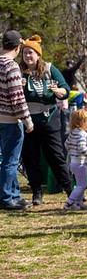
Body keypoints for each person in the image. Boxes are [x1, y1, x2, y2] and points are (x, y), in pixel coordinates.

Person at [19, 34, 72, 205]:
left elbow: (65, 89)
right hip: (28, 120)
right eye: (25, 53)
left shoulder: (49, 69)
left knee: (56, 155)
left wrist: (58, 92)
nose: (28, 56)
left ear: (38, 54)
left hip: (49, 118)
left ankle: (70, 190)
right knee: (30, 157)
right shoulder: (19, 72)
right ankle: (36, 192)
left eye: (31, 53)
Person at [0, 30, 34, 211]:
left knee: (7, 160)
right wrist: (27, 120)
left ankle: (15, 194)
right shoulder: (12, 66)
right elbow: (17, 99)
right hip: (10, 121)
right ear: (18, 47)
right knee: (11, 160)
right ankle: (6, 197)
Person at [63, 109, 87, 210]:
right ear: (82, 122)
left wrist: (72, 152)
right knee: (82, 185)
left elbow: (66, 144)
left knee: (80, 184)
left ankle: (79, 203)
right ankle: (69, 203)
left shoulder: (73, 132)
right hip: (80, 164)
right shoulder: (82, 134)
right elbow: (82, 148)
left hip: (74, 162)